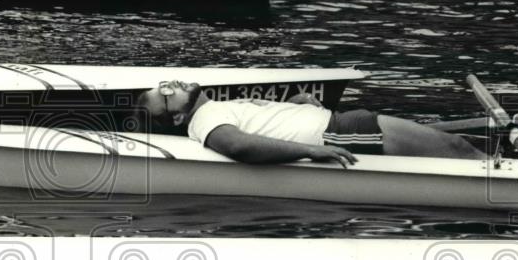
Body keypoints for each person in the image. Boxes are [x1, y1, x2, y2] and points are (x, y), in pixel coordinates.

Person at [136, 80, 485, 166]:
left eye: (166, 83)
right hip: (341, 132)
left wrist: (294, 105)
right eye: (166, 94)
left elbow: (261, 125)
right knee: (458, 149)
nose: (172, 85)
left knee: (457, 147)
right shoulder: (205, 120)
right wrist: (311, 151)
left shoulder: (214, 108)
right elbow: (237, 145)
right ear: (178, 116)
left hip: (341, 124)